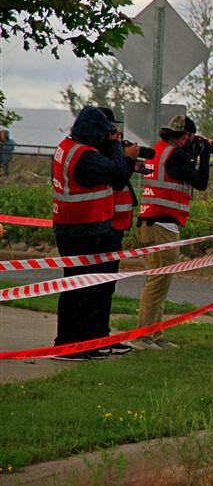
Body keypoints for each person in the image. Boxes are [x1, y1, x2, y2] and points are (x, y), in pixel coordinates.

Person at [51, 106, 139, 361]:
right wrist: (122, 152)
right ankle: (69, 345)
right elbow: (117, 173)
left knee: (82, 289)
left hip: (78, 227)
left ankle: (82, 342)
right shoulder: (85, 157)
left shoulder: (69, 148)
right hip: (82, 229)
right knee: (80, 291)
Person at [134, 115, 213, 350]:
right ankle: (142, 336)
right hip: (162, 226)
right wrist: (204, 155)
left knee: (159, 282)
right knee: (157, 283)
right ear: (187, 136)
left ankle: (154, 334)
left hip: (150, 223)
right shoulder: (176, 155)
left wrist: (194, 153)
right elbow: (200, 182)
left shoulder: (159, 150)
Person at [98, 107, 142, 355]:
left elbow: (119, 176)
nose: (116, 134)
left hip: (117, 226)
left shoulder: (110, 155)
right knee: (98, 287)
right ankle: (95, 337)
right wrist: (125, 158)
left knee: (107, 287)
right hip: (106, 227)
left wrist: (130, 164)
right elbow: (116, 180)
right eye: (112, 130)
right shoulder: (99, 154)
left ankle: (102, 334)